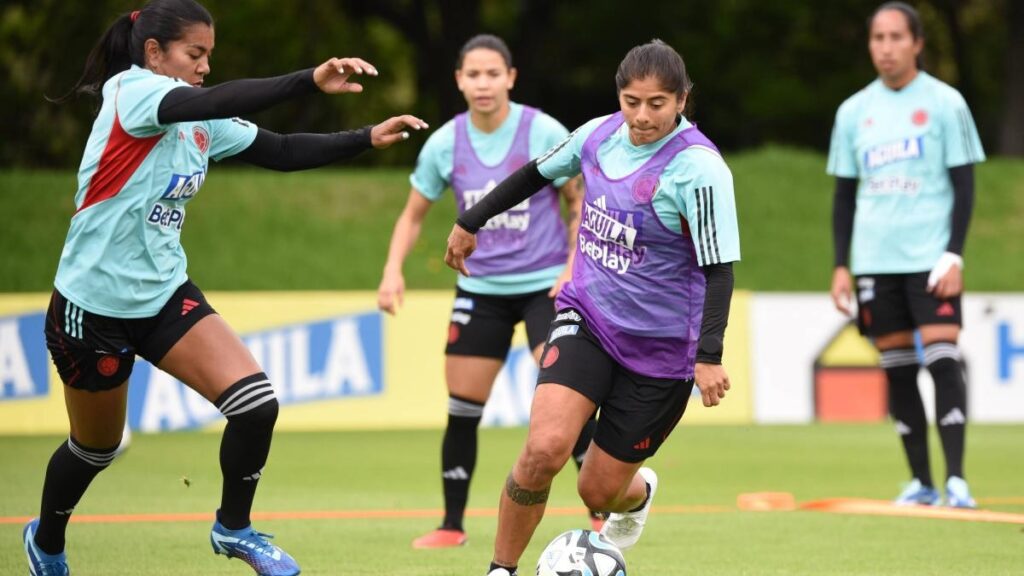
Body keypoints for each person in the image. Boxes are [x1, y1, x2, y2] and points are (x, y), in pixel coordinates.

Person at [24, 1, 427, 575]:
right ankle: (48, 540)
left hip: (163, 295)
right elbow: (214, 99)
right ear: (154, 53)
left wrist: (366, 137)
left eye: (210, 55)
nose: (206, 66)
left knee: (256, 405)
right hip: (91, 307)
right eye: (196, 54)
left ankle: (233, 529)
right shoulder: (132, 92)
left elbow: (282, 151)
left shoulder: (199, 122)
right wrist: (308, 78)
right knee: (97, 448)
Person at [445, 39, 739, 576]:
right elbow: (534, 174)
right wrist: (471, 222)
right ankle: (500, 570)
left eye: (657, 103)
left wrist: (709, 354)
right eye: (631, 101)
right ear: (619, 97)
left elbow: (719, 269)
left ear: (682, 100)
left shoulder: (699, 169)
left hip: (662, 351)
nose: (642, 115)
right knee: (544, 449)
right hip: (590, 317)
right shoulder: (597, 135)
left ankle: (639, 492)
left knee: (597, 489)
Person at [377, 34, 600, 549]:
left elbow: (579, 200)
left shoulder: (541, 130)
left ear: (510, 78)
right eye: (472, 74)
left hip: (547, 286)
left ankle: (599, 510)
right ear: (458, 80)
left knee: (565, 399)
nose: (483, 83)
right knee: (463, 404)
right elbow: (413, 216)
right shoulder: (445, 143)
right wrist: (392, 271)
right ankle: (452, 524)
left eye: (492, 73)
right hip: (481, 291)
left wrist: (572, 265)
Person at [828, 1, 984, 508]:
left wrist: (954, 254)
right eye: (878, 38)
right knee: (896, 368)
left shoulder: (946, 103)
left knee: (942, 360)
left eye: (897, 37)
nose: (887, 48)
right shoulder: (852, 111)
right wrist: (841, 264)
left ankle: (957, 480)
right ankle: (921, 482)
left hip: (930, 259)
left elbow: (964, 185)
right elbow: (845, 196)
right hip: (876, 261)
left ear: (917, 43)